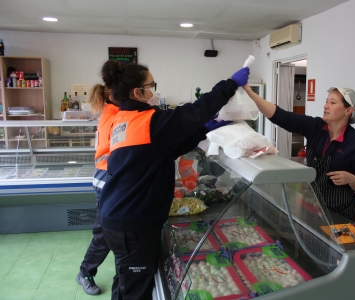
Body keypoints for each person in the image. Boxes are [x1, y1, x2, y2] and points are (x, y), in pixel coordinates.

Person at [99, 60, 249, 299]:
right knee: (134, 292)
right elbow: (195, 110)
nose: (155, 91)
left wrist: (204, 129)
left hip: (120, 215)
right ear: (138, 92)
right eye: (151, 85)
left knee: (128, 282)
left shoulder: (126, 119)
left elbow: (168, 148)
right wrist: (229, 84)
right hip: (132, 223)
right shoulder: (149, 122)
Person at [243, 85, 355, 221]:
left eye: (332, 102)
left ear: (348, 110)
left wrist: (350, 179)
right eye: (326, 101)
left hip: (338, 215)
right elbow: (281, 116)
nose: (325, 106)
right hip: (309, 209)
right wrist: (250, 92)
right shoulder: (315, 127)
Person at [76, 84, 119, 295]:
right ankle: (85, 272)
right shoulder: (113, 117)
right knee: (103, 233)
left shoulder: (115, 113)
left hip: (112, 178)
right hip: (106, 180)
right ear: (113, 96)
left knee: (113, 231)